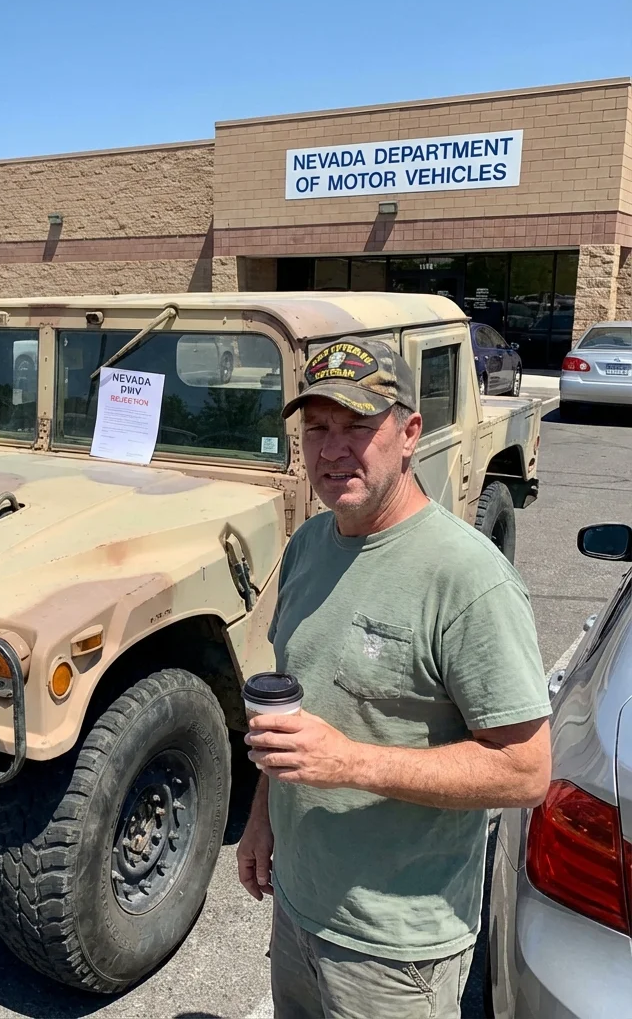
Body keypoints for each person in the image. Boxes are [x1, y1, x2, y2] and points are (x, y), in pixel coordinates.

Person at [237, 340, 552, 1019]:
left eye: (357, 426)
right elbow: (298, 698)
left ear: (409, 434)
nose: (332, 450)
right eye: (316, 429)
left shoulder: (467, 578)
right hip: (299, 906)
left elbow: (525, 772)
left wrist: (347, 761)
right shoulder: (309, 547)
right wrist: (263, 818)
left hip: (395, 947)